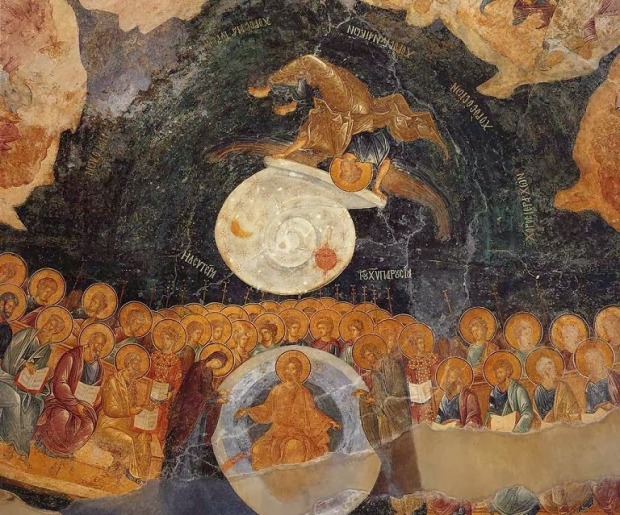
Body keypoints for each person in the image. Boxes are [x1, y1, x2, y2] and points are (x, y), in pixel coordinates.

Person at [236, 355, 340, 470]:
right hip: (276, 432)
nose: (289, 372)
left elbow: (311, 412)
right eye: (287, 368)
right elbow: (267, 408)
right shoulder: (277, 390)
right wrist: (248, 410)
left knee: (293, 447)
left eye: (293, 369)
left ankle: (291, 478)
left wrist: (328, 421)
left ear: (299, 371)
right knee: (258, 449)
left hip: (297, 432)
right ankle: (270, 478)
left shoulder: (304, 392)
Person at [35, 330, 107, 456]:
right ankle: (48, 446)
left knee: (88, 425)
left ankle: (65, 451)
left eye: (102, 345)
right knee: (62, 416)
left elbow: (95, 389)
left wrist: (96, 400)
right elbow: (60, 383)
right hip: (60, 400)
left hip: (83, 404)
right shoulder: (71, 357)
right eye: (97, 343)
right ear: (90, 341)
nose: (99, 348)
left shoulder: (99, 367)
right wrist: (74, 403)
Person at [164, 351, 229, 478]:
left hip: (200, 411)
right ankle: (181, 472)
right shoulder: (197, 368)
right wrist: (215, 399)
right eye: (217, 362)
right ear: (212, 358)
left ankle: (192, 471)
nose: (217, 366)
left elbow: (207, 391)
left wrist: (218, 394)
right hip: (190, 409)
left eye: (220, 365)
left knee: (197, 439)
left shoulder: (208, 371)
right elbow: (192, 392)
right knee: (187, 438)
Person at [0, 324, 56, 463]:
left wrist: (45, 376)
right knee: (17, 399)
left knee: (34, 406)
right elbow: (10, 357)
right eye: (49, 324)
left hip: (24, 384)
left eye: (53, 329)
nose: (48, 329)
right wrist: (24, 364)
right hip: (7, 376)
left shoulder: (46, 348)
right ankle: (13, 442)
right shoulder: (25, 335)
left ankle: (20, 444)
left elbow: (38, 369)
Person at [95, 351, 152, 484]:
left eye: (139, 365)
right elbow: (110, 410)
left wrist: (144, 406)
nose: (137, 368)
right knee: (128, 440)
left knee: (144, 437)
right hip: (107, 426)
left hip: (123, 427)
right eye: (135, 364)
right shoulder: (113, 381)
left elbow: (132, 406)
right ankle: (132, 473)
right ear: (127, 363)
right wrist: (130, 411)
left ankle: (143, 476)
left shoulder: (132, 384)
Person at [354, 346, 411, 446]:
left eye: (370, 353)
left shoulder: (390, 364)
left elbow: (398, 389)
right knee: (363, 403)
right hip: (383, 401)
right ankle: (376, 443)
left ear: (376, 351)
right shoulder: (375, 372)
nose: (370, 357)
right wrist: (366, 395)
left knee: (387, 402)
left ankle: (397, 439)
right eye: (367, 356)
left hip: (397, 400)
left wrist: (376, 400)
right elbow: (378, 391)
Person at [148, 326, 183, 443]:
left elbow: (177, 381)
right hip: (149, 395)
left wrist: (171, 393)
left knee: (160, 423)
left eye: (167, 339)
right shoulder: (153, 356)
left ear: (173, 341)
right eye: (163, 338)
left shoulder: (176, 361)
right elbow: (147, 375)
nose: (164, 341)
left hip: (164, 398)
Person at [402, 329, 439, 424]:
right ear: (415, 345)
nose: (422, 345)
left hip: (433, 394)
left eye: (423, 342)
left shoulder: (432, 358)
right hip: (419, 399)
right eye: (419, 343)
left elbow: (438, 375)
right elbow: (410, 382)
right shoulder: (411, 364)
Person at [486, 358, 534, 433]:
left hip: (515, 429)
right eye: (496, 372)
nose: (498, 375)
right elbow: (491, 410)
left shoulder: (518, 390)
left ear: (507, 373)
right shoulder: (493, 392)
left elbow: (527, 413)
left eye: (500, 372)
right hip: (498, 429)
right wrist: (491, 422)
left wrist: (517, 430)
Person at [532, 356, 580, 424]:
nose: (555, 371)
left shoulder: (563, 387)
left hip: (561, 426)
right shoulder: (538, 391)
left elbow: (574, 410)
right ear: (544, 373)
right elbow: (536, 414)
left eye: (554, 368)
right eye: (550, 369)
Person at [435, 364, 482, 428]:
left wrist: (463, 428)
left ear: (460, 379)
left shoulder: (469, 397)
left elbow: (474, 419)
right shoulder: (444, 399)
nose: (453, 380)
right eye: (451, 377)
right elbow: (438, 419)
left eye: (456, 377)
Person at [583, 347, 620, 413]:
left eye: (595, 361)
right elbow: (589, 409)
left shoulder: (615, 377)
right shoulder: (590, 386)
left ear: (601, 361)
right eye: (588, 363)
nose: (591, 366)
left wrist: (613, 407)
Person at [0, 291, 18, 362]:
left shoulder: (6, 330)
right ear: (1, 304)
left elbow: (2, 354)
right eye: (9, 306)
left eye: (13, 308)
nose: (11, 310)